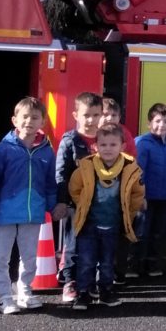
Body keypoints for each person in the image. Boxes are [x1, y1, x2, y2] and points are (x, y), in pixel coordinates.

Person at [0, 97, 60, 314]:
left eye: (35, 117)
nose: (29, 121)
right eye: (24, 117)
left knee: (29, 257)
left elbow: (50, 184)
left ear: (42, 122)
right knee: (2, 257)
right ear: (14, 120)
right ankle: (5, 296)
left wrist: (53, 207)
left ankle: (25, 291)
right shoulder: (2, 149)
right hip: (4, 214)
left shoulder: (46, 151)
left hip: (33, 213)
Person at [67, 123, 144, 310]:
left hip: (113, 225)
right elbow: (75, 188)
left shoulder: (130, 169)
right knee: (86, 260)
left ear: (122, 147)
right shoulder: (86, 167)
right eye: (103, 145)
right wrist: (83, 204)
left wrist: (130, 213)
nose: (107, 149)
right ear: (95, 147)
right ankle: (84, 293)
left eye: (112, 145)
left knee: (108, 262)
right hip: (89, 224)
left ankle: (106, 291)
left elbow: (137, 194)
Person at [55, 91, 101, 303]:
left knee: (94, 244)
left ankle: (89, 281)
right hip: (75, 203)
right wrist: (62, 201)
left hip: (100, 203)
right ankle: (70, 282)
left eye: (95, 115)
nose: (91, 120)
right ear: (76, 115)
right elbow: (61, 173)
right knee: (73, 243)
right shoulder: (70, 140)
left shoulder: (105, 139)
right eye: (86, 115)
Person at [132, 103, 166, 278]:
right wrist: (140, 195)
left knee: (159, 232)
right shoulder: (142, 143)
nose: (162, 125)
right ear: (149, 123)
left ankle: (152, 265)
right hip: (146, 197)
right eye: (157, 121)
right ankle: (135, 266)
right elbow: (138, 171)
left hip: (165, 197)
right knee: (141, 231)